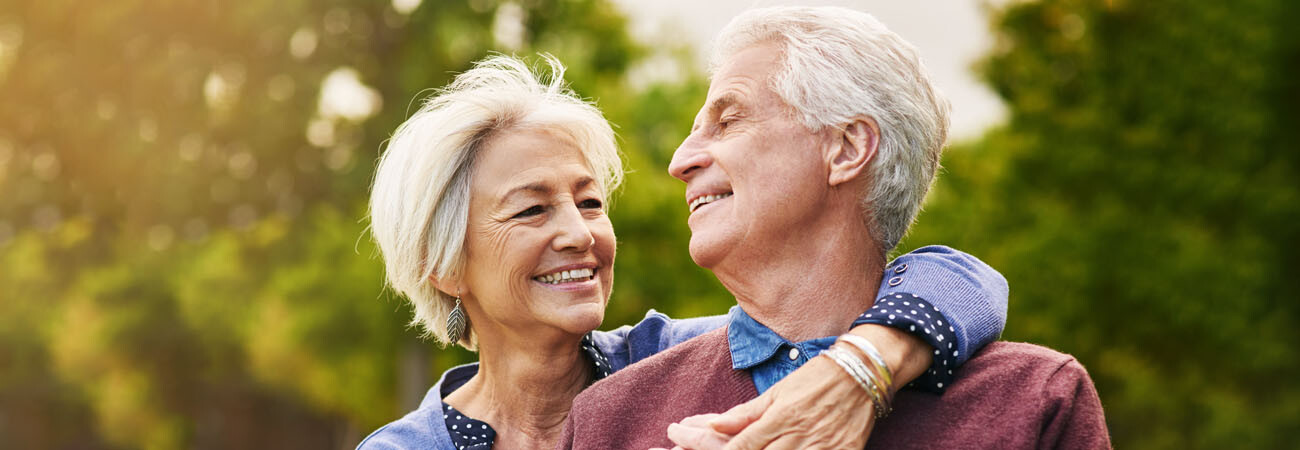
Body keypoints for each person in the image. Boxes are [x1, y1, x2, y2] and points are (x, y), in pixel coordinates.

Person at [358, 54, 1009, 449]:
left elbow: (963, 279)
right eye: (531, 209)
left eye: (589, 202)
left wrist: (865, 363)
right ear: (440, 264)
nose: (581, 234)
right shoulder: (405, 448)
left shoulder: (686, 360)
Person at [560, 6, 1111, 450]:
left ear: (847, 149)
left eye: (727, 121)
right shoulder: (609, 415)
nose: (679, 160)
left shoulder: (1035, 399)